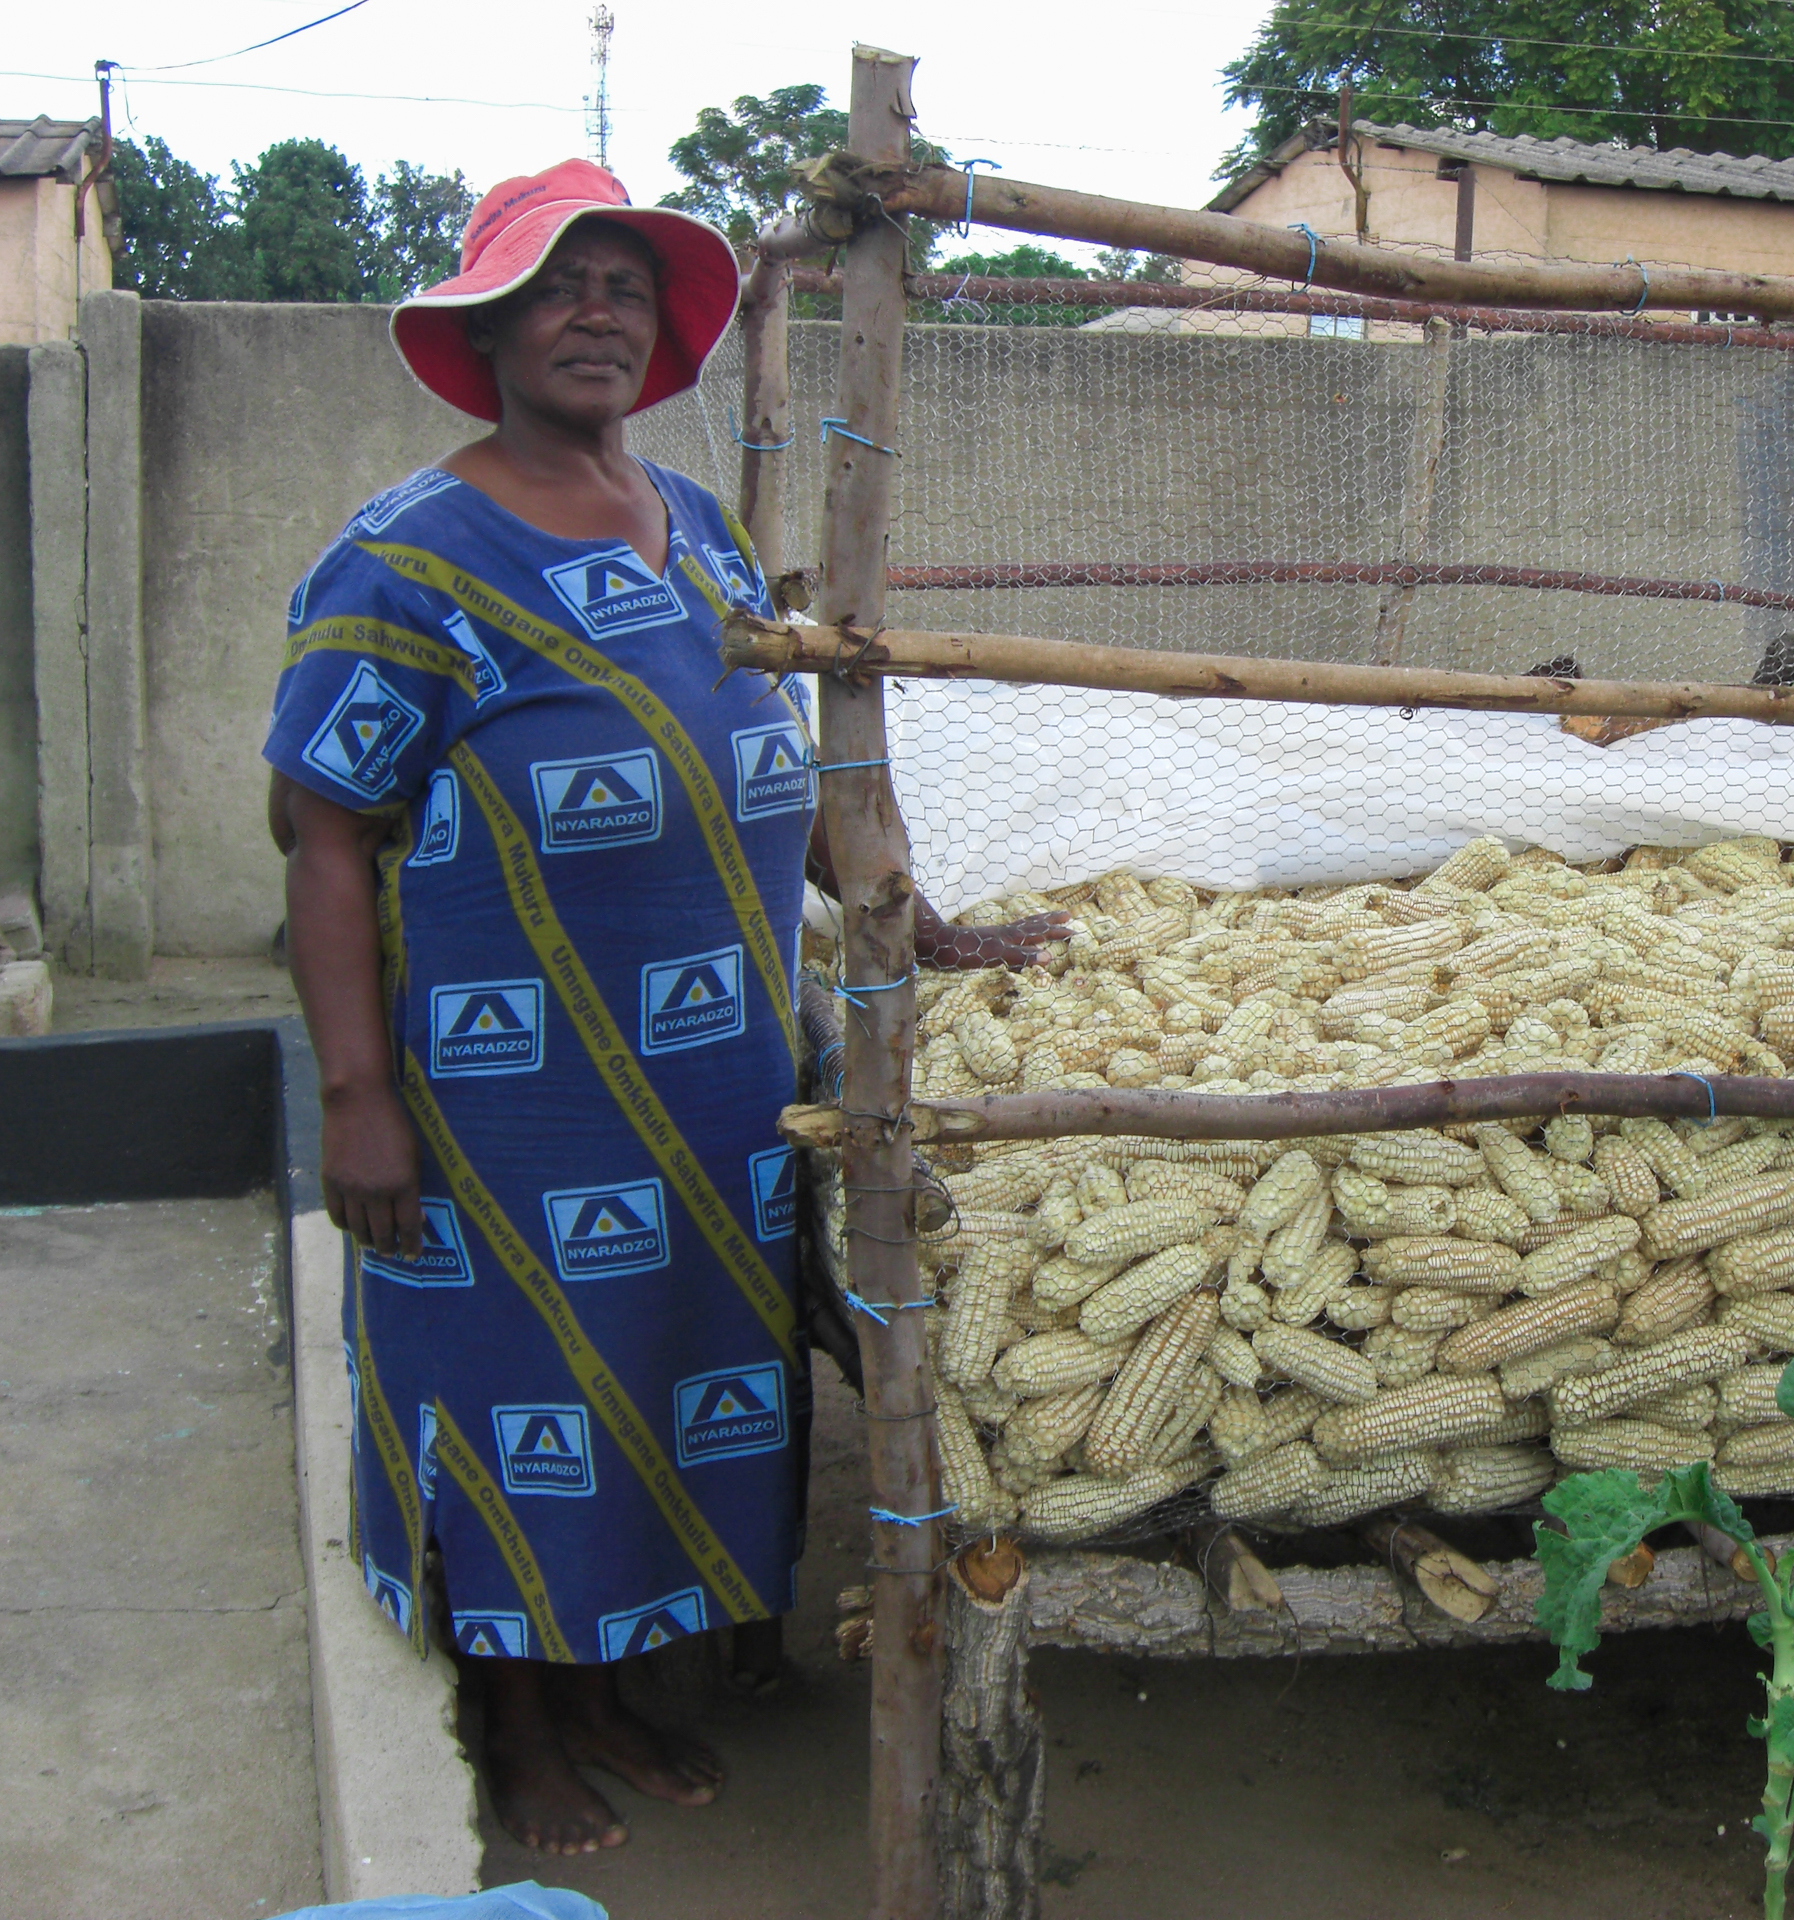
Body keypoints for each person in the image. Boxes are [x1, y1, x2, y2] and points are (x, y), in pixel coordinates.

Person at [264, 159, 1062, 1855]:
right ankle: (512, 1723)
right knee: (507, 1388)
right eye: (558, 286)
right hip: (507, 1094)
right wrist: (355, 1096)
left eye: (625, 286)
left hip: (713, 1078)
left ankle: (611, 1685)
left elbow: (791, 765)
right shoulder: (402, 558)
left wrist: (915, 921)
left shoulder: (697, 528)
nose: (597, 314)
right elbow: (322, 834)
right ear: (484, 325)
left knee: (665, 1368)